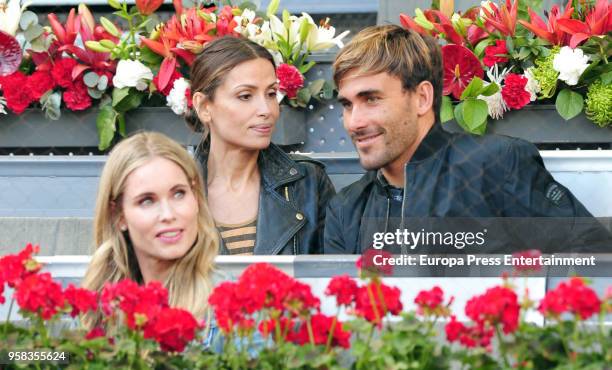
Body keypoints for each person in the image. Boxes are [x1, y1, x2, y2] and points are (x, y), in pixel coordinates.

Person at [324, 25, 610, 254]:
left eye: (372, 99)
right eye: (347, 105)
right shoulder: (347, 209)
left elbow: (592, 258)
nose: (354, 122)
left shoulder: (494, 166)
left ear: (422, 98)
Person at [187, 36, 335, 255]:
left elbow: (334, 277)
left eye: (271, 94)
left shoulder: (308, 182)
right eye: (245, 96)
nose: (266, 109)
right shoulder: (177, 189)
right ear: (204, 106)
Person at [82, 132, 219, 329]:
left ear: (196, 197)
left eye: (179, 194)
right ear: (119, 215)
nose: (168, 214)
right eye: (147, 201)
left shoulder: (232, 309)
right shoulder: (95, 307)